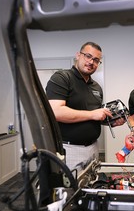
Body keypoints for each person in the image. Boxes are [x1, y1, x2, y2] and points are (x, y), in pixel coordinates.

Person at [46, 41, 124, 172]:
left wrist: (110, 121)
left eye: (96, 60)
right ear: (78, 55)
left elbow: (94, 116)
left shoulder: (96, 87)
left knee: (91, 188)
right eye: (88, 56)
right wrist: (93, 114)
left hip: (93, 148)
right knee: (71, 191)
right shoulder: (62, 78)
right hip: (70, 150)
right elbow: (56, 112)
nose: (91, 62)